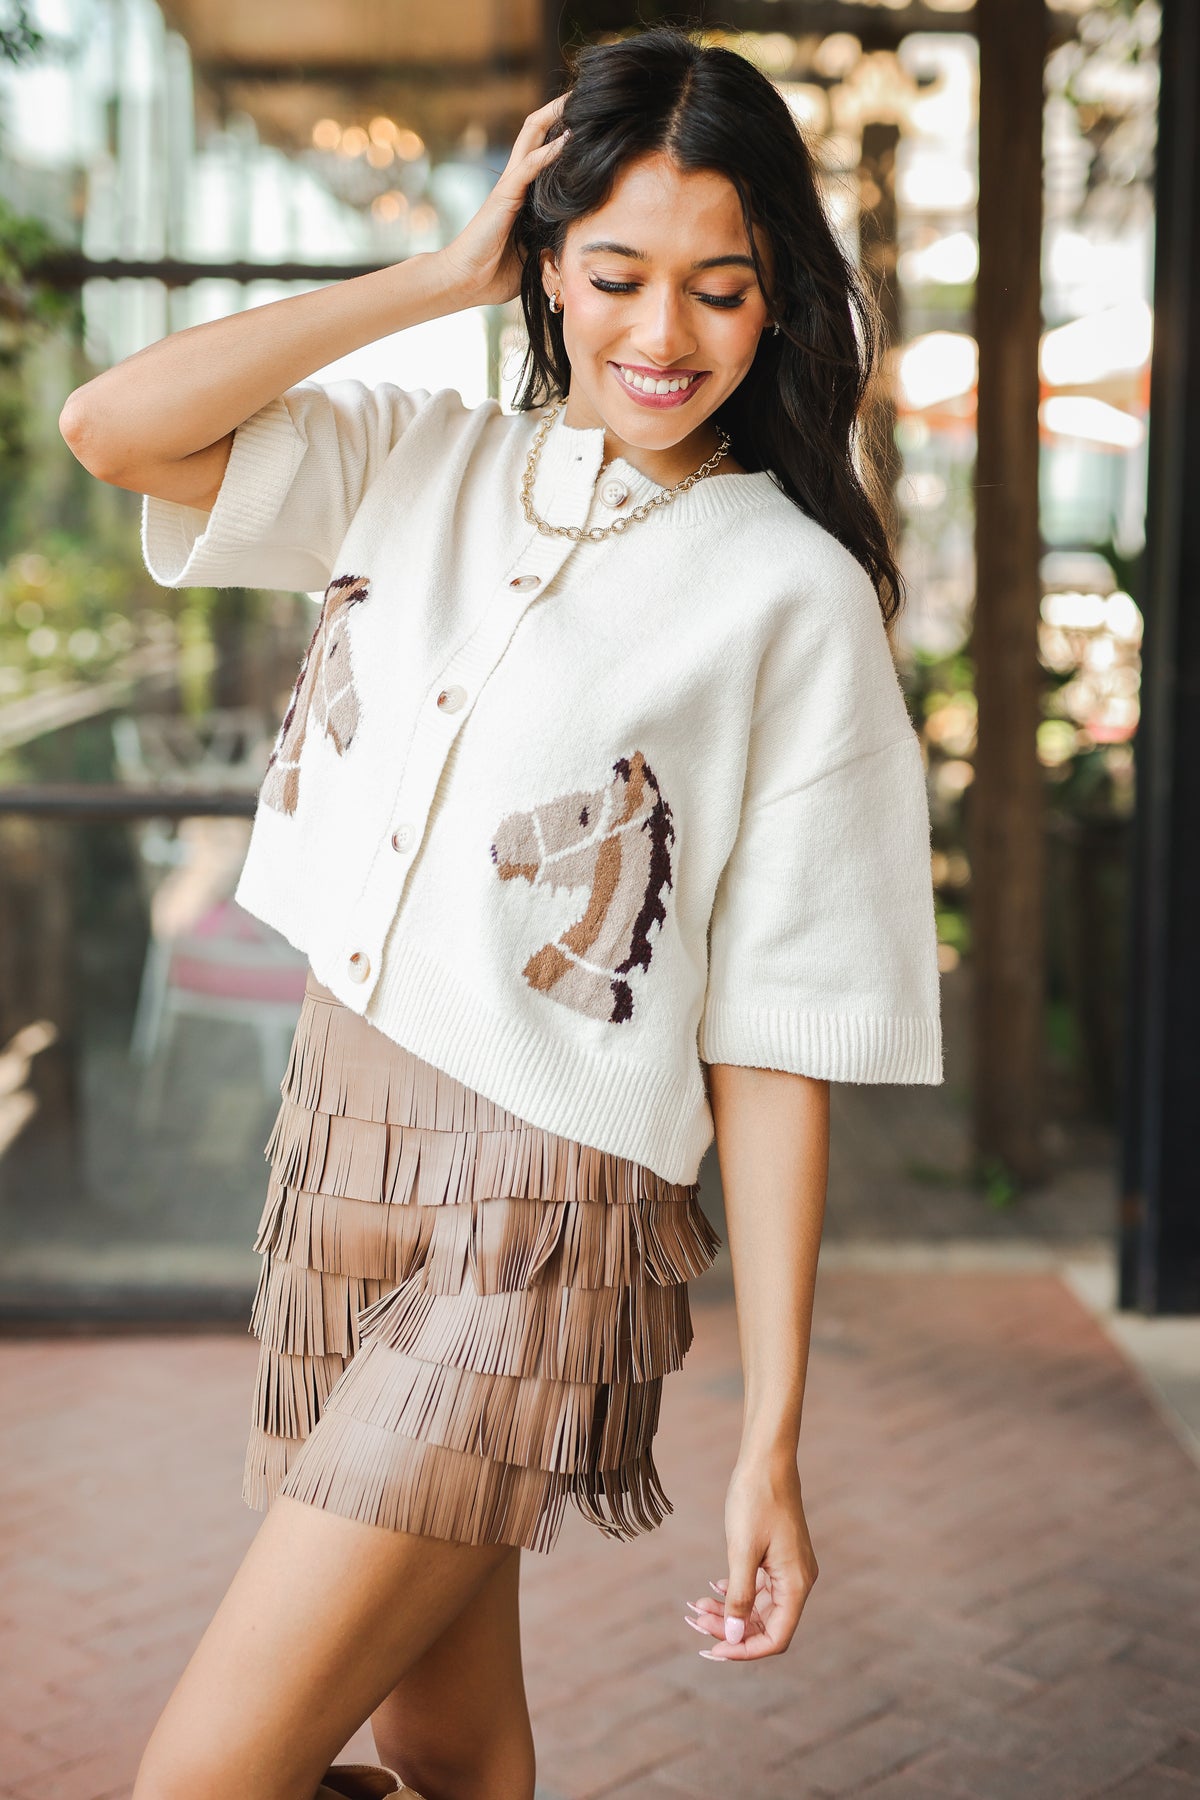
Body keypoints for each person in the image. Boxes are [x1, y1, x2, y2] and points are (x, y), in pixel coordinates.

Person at [59, 23, 943, 1800]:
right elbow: (113, 426)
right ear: (545, 265)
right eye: (613, 274)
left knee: (202, 1779)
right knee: (448, 1739)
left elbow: (776, 1039)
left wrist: (771, 1440)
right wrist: (429, 272)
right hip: (338, 1161)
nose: (661, 334)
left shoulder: (790, 592)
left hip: (548, 1220)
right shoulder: (419, 457)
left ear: (778, 302)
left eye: (721, 286)